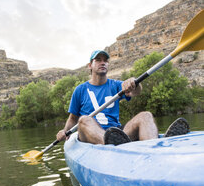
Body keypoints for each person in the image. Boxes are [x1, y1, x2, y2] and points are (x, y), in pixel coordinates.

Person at [56, 50, 189, 145]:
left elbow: (136, 92)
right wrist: (65, 131)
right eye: (98, 60)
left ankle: (154, 147)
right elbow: (73, 118)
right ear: (90, 65)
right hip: (89, 135)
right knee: (84, 119)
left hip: (117, 133)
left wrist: (133, 83)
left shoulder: (116, 85)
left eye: (105, 61)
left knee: (146, 115)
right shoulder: (80, 90)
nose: (103, 63)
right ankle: (111, 145)